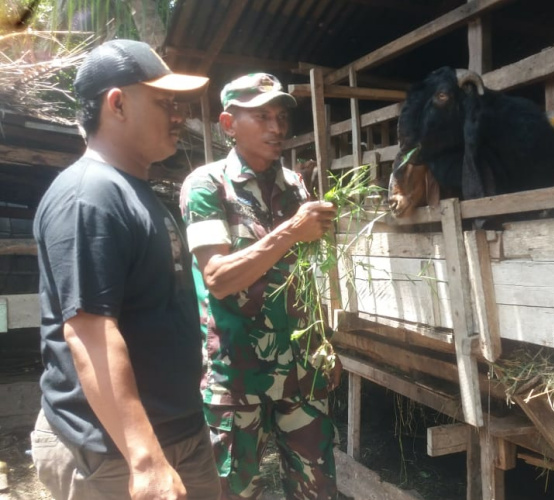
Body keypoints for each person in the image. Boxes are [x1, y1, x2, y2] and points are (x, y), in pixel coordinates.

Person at [30, 39, 220, 500]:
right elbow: (90, 332)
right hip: (113, 452)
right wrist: (146, 460)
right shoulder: (89, 196)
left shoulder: (135, 190)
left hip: (176, 431)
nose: (180, 117)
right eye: (165, 103)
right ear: (117, 103)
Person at [179, 73, 339, 500]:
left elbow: (304, 275)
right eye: (262, 116)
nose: (277, 128)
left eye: (281, 116)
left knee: (316, 489)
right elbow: (217, 278)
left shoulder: (295, 187)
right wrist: (290, 231)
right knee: (233, 491)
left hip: (302, 374)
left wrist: (323, 344)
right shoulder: (206, 186)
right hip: (237, 377)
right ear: (228, 124)